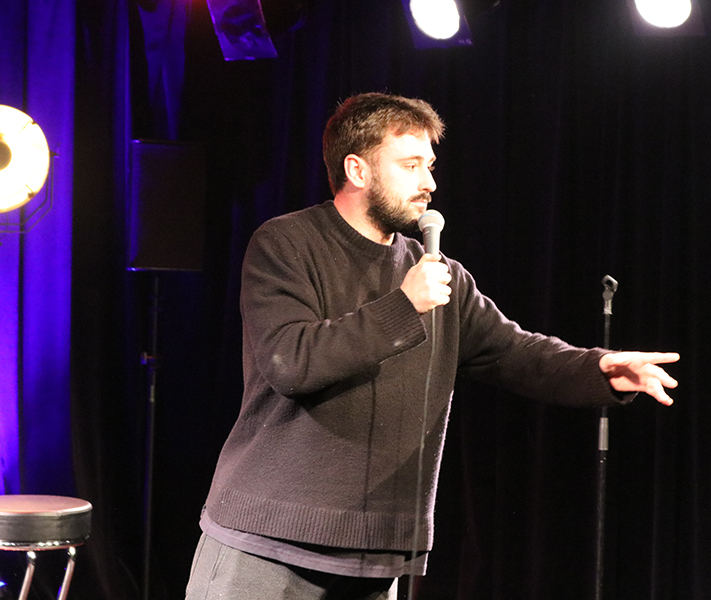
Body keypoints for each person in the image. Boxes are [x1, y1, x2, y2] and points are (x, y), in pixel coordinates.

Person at [184, 92, 679, 600]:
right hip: (267, 542)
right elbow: (291, 362)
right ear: (357, 170)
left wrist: (600, 369)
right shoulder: (286, 244)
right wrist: (405, 305)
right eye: (411, 165)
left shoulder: (441, 277)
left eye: (430, 166)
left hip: (375, 555)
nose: (430, 183)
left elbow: (516, 352)